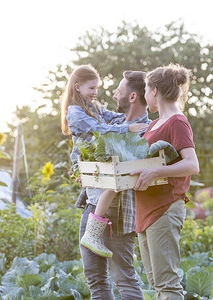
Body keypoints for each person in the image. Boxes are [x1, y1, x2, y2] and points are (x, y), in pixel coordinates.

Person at [69, 69, 151, 299]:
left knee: (124, 277)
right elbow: (93, 137)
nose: (113, 95)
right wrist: (87, 170)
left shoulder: (146, 129)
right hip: (92, 206)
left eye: (119, 90)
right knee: (95, 278)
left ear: (132, 97)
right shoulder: (112, 120)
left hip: (119, 212)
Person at [131, 64, 200, 300]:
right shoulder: (154, 124)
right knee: (157, 282)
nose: (145, 96)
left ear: (155, 92)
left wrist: (155, 173)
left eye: (146, 90)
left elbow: (192, 164)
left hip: (165, 207)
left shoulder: (177, 122)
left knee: (167, 284)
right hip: (147, 209)